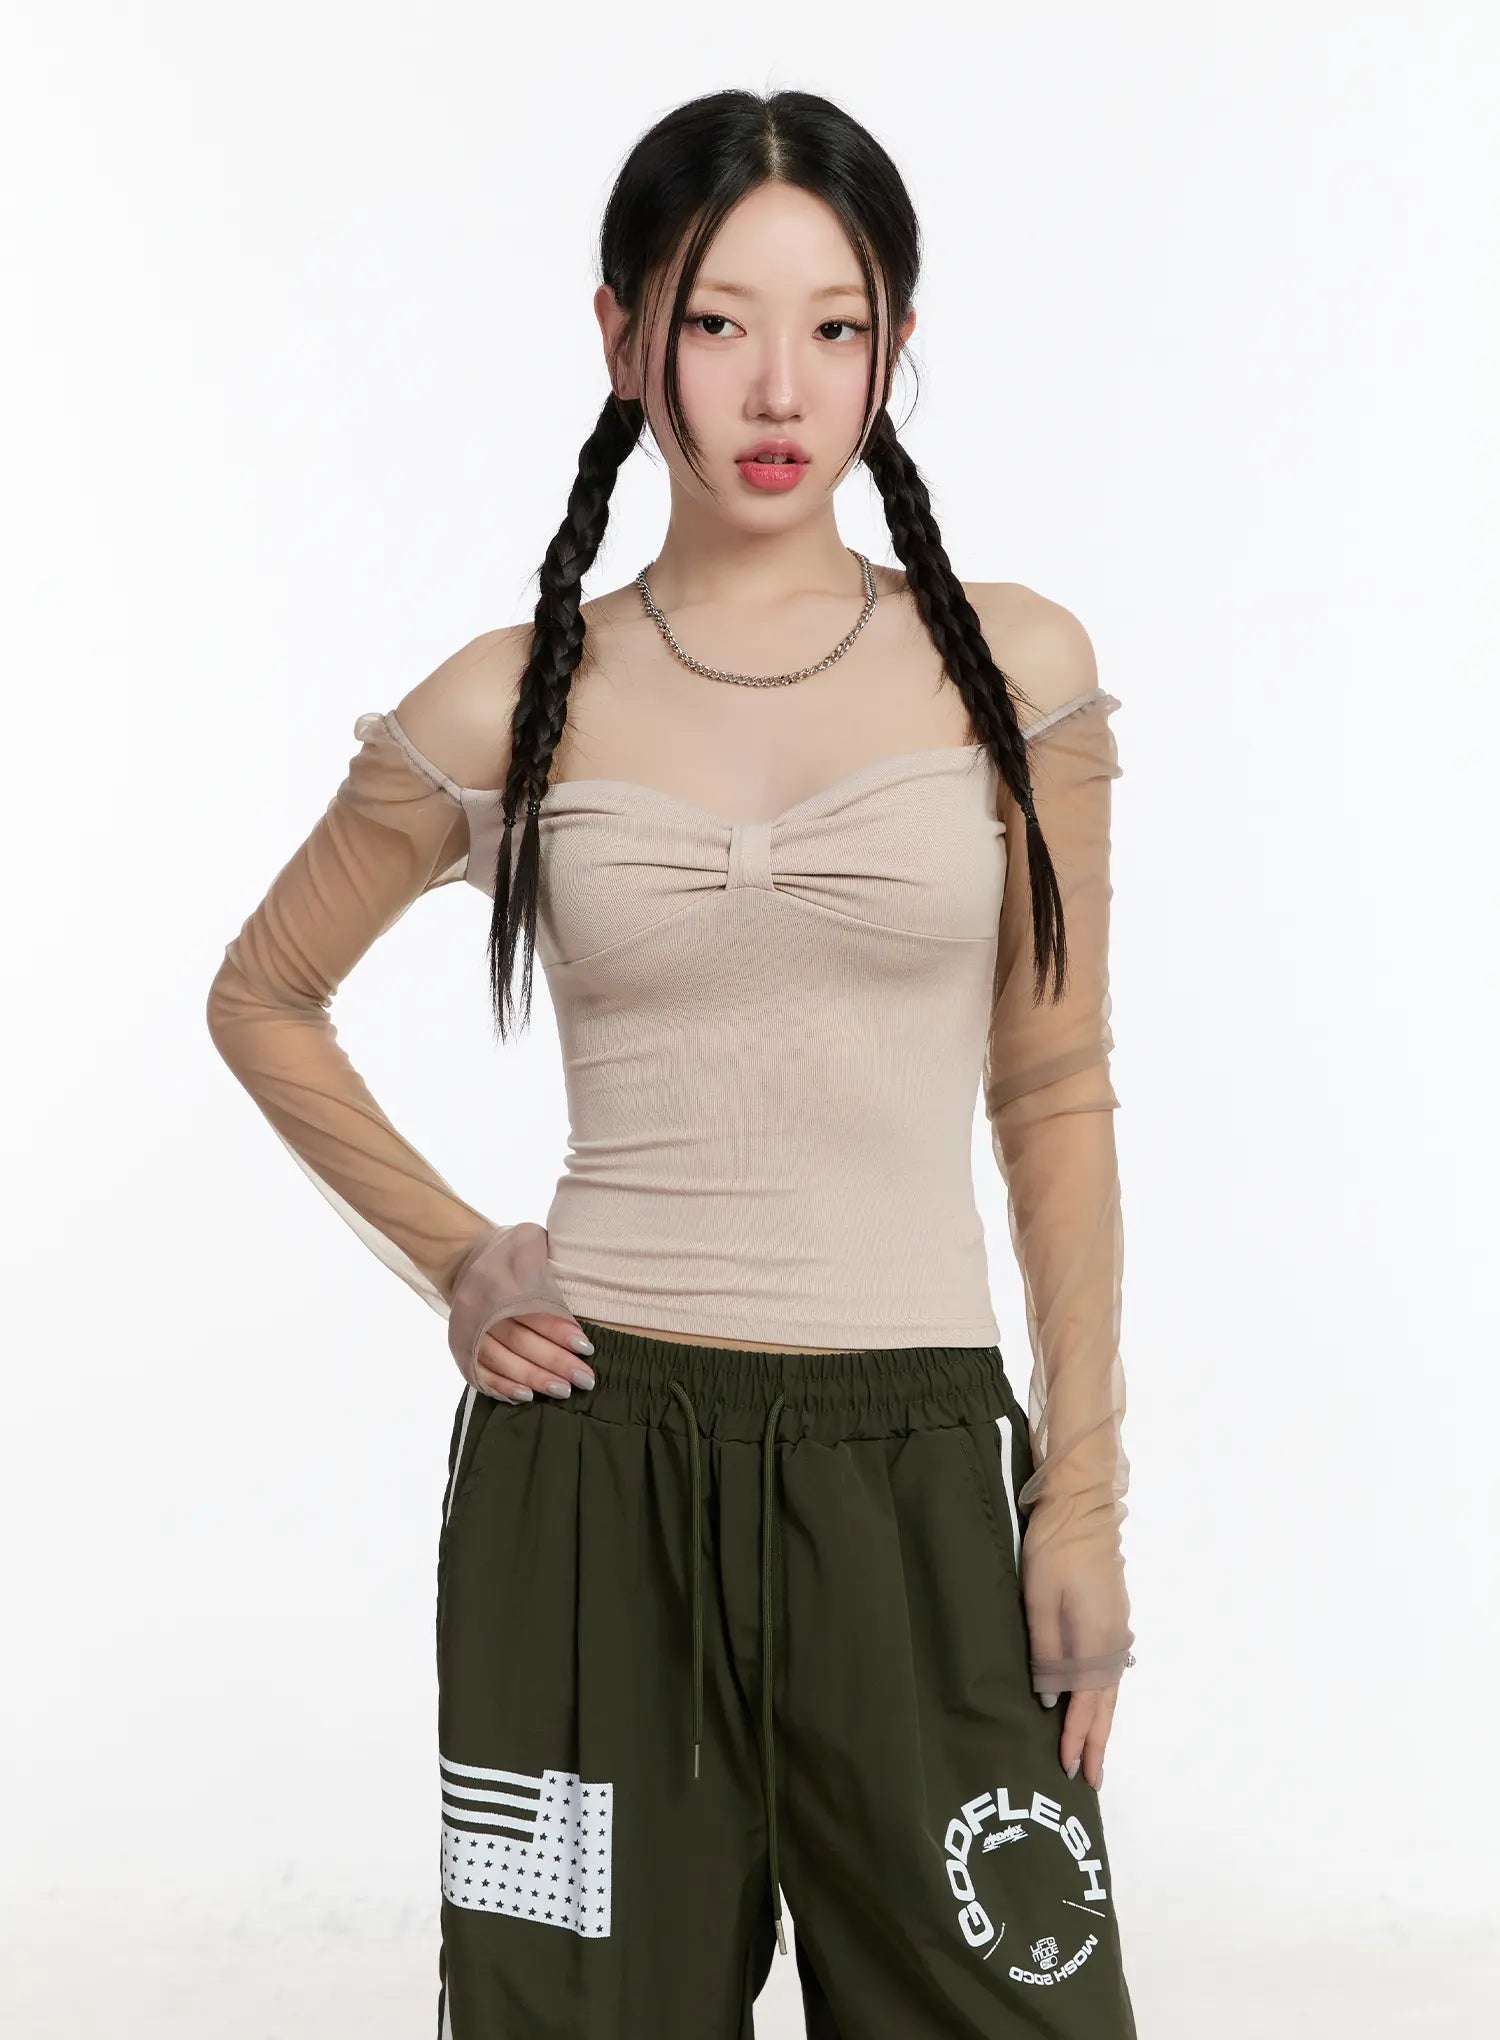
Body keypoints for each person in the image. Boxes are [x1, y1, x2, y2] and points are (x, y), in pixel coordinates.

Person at [206, 85, 1137, 2040]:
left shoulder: (1016, 673)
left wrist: (1080, 1504)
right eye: (718, 321)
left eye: (836, 324)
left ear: (895, 343)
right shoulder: (508, 702)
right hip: (587, 1497)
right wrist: (460, 1256)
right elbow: (266, 994)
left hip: (916, 1483)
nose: (777, 386)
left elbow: (1052, 1091)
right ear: (625, 336)